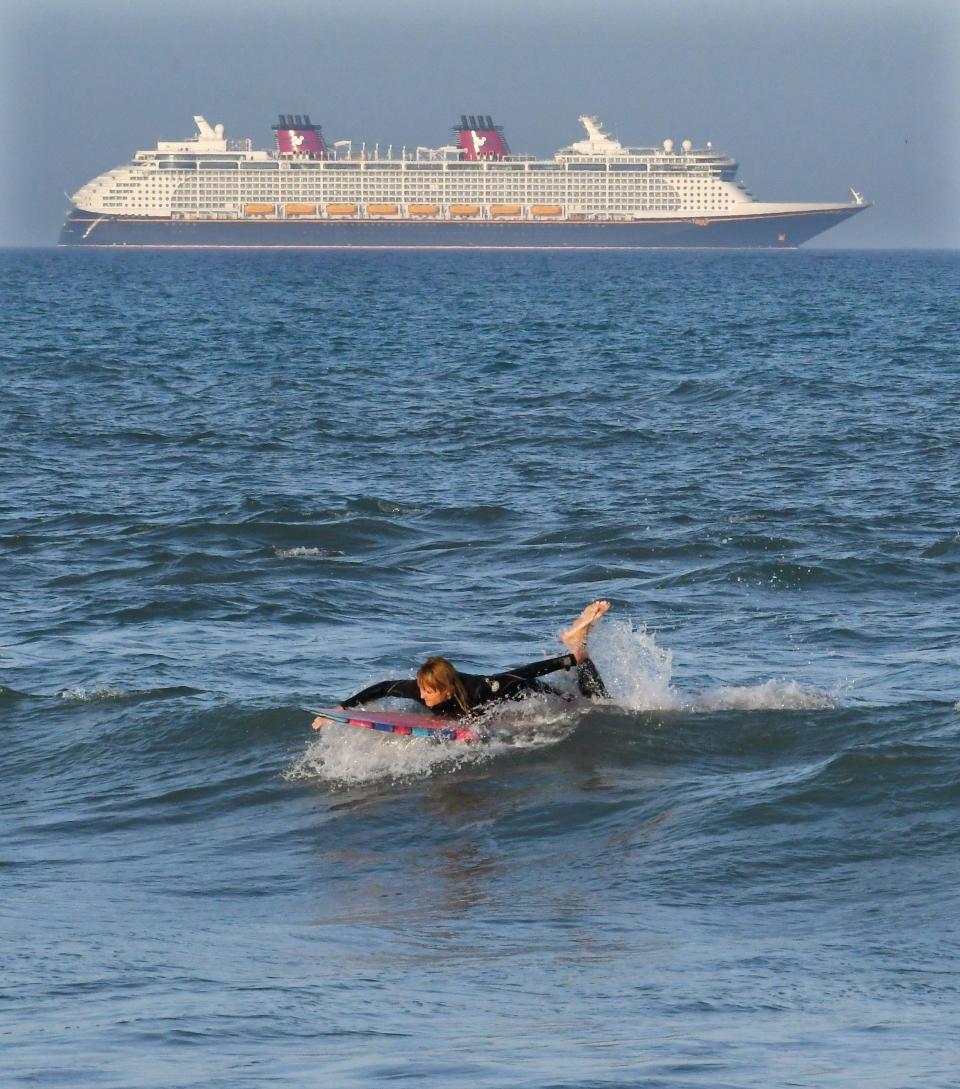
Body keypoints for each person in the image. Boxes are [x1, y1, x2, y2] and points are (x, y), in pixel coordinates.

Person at [312, 600, 610, 726]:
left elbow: (523, 674)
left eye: (429, 692)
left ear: (447, 690)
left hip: (529, 691)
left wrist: (569, 660)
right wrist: (342, 708)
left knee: (591, 702)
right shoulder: (422, 690)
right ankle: (577, 643)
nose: (422, 695)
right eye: (422, 690)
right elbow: (385, 687)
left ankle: (577, 646)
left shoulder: (483, 689)